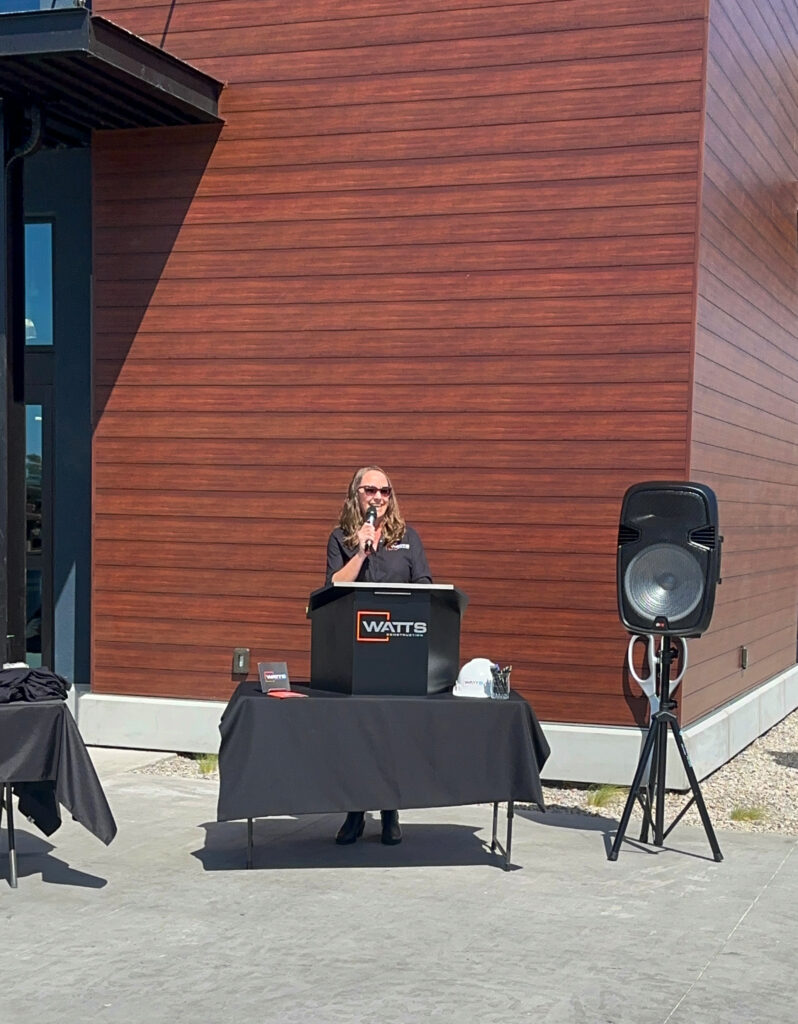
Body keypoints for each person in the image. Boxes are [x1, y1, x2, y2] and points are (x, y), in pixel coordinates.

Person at [325, 465, 432, 846]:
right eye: (370, 490)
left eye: (385, 491)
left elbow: (425, 586)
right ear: (356, 494)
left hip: (399, 650)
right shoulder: (341, 538)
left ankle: (389, 812)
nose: (378, 498)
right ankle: (355, 812)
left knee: (391, 734)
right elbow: (334, 588)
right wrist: (361, 551)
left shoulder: (408, 537)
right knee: (358, 733)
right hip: (357, 652)